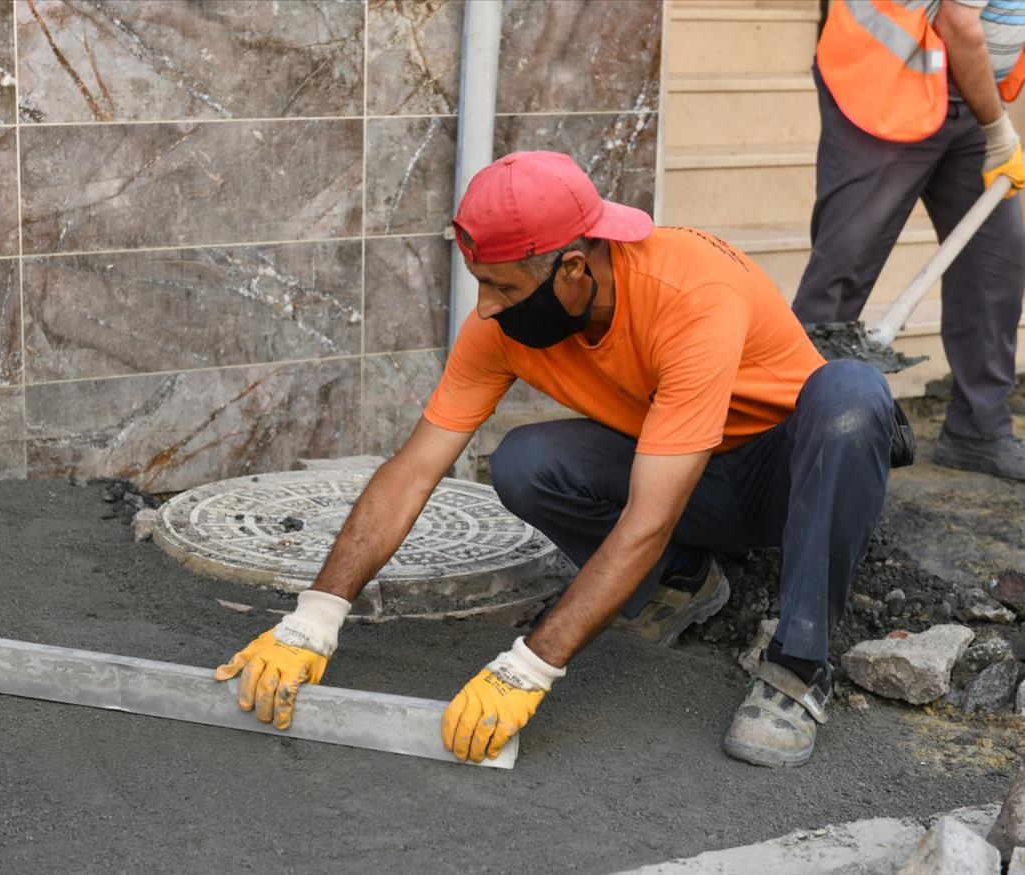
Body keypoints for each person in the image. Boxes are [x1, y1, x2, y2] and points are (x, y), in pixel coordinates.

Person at [213, 151, 913, 769]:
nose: (484, 309)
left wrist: (526, 668)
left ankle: (796, 668)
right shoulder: (507, 326)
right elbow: (413, 469)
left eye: (503, 288)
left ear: (573, 267)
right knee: (525, 460)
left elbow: (646, 515)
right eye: (480, 283)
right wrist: (314, 617)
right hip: (680, 475)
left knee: (852, 396)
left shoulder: (690, 293)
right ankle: (682, 582)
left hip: (784, 480)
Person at [792, 0, 1025, 482]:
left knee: (995, 264)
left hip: (969, 91)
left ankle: (979, 431)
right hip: (889, 79)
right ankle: (784, 432)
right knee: (845, 265)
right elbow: (958, 21)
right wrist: (998, 133)